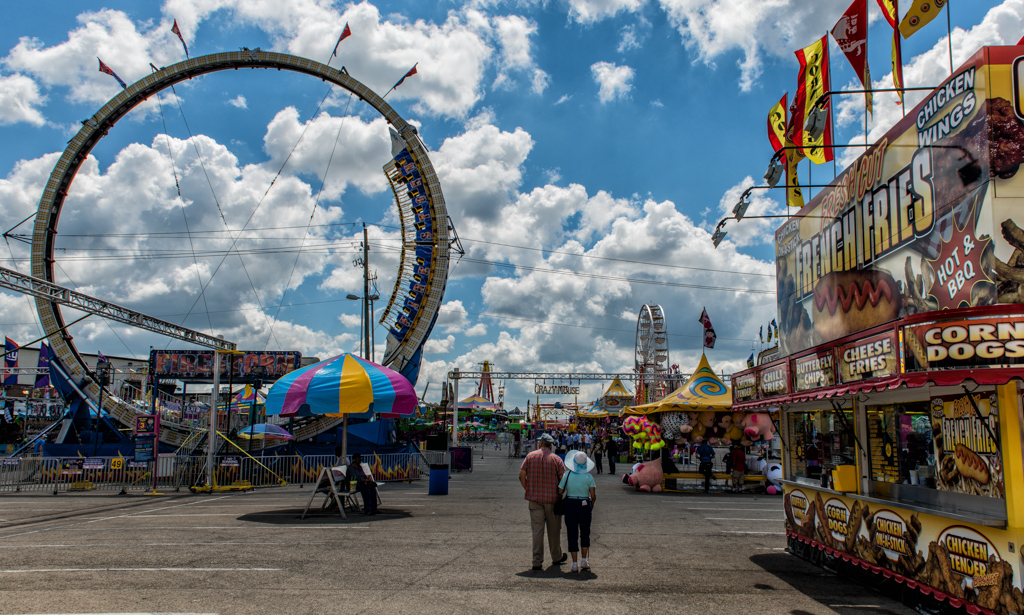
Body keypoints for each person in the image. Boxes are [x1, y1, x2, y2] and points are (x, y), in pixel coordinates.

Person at [519, 433, 567, 571]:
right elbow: (563, 479)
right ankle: (556, 557)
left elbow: (521, 475)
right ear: (550, 445)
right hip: (552, 500)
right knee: (554, 531)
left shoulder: (530, 456)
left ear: (541, 443)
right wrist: (559, 493)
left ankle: (537, 560)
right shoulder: (556, 459)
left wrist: (528, 489)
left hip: (535, 500)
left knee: (537, 531)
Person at [559, 450, 597, 572]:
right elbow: (593, 495)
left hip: (571, 503)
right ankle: (584, 560)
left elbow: (560, 491)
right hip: (585, 504)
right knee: (585, 532)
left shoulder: (567, 475)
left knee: (572, 533)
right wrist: (592, 504)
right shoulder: (589, 477)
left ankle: (574, 563)